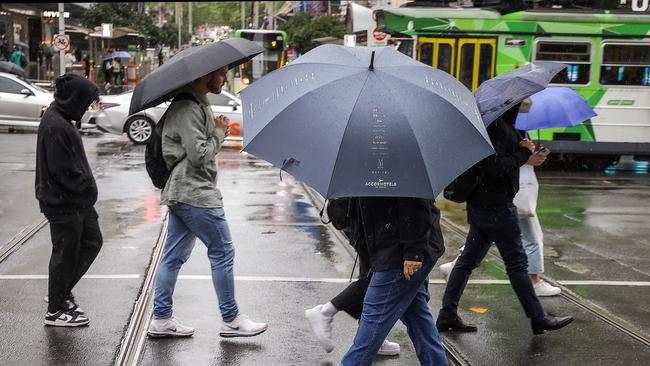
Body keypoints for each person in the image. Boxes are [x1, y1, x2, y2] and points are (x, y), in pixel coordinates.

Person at [147, 66, 267, 338]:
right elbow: (199, 155)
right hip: (194, 192)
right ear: (204, 75)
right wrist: (219, 132)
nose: (224, 79)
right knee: (222, 252)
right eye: (221, 74)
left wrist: (214, 129)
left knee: (172, 256)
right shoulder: (188, 108)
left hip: (183, 191)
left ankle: (162, 318)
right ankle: (232, 319)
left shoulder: (196, 103)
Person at [436, 101, 574, 336]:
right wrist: (523, 153)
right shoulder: (498, 128)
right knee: (517, 264)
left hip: (484, 204)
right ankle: (538, 318)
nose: (525, 106)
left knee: (467, 261)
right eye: (522, 103)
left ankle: (447, 314)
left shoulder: (497, 124)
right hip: (496, 206)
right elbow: (495, 168)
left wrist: (524, 150)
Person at [339, 197, 448, 366]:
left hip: (399, 254)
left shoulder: (400, 172)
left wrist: (414, 251)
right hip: (391, 249)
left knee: (373, 321)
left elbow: (415, 201)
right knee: (416, 316)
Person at [439, 150, 562, 297]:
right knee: (530, 237)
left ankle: (455, 267)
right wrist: (526, 155)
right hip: (513, 191)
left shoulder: (507, 130)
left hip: (513, 189)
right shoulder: (506, 131)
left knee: (489, 237)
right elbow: (499, 162)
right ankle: (533, 282)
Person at [35, 74, 102, 327]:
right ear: (75, 98)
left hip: (76, 201)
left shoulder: (64, 119)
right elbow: (62, 169)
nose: (87, 107)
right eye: (85, 101)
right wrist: (87, 189)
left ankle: (60, 290)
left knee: (92, 242)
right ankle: (55, 309)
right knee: (65, 252)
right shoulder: (55, 125)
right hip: (63, 202)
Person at [304, 199, 400, 356]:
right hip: (361, 217)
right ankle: (325, 312)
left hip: (356, 216)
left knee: (370, 277)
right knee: (372, 279)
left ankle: (373, 337)